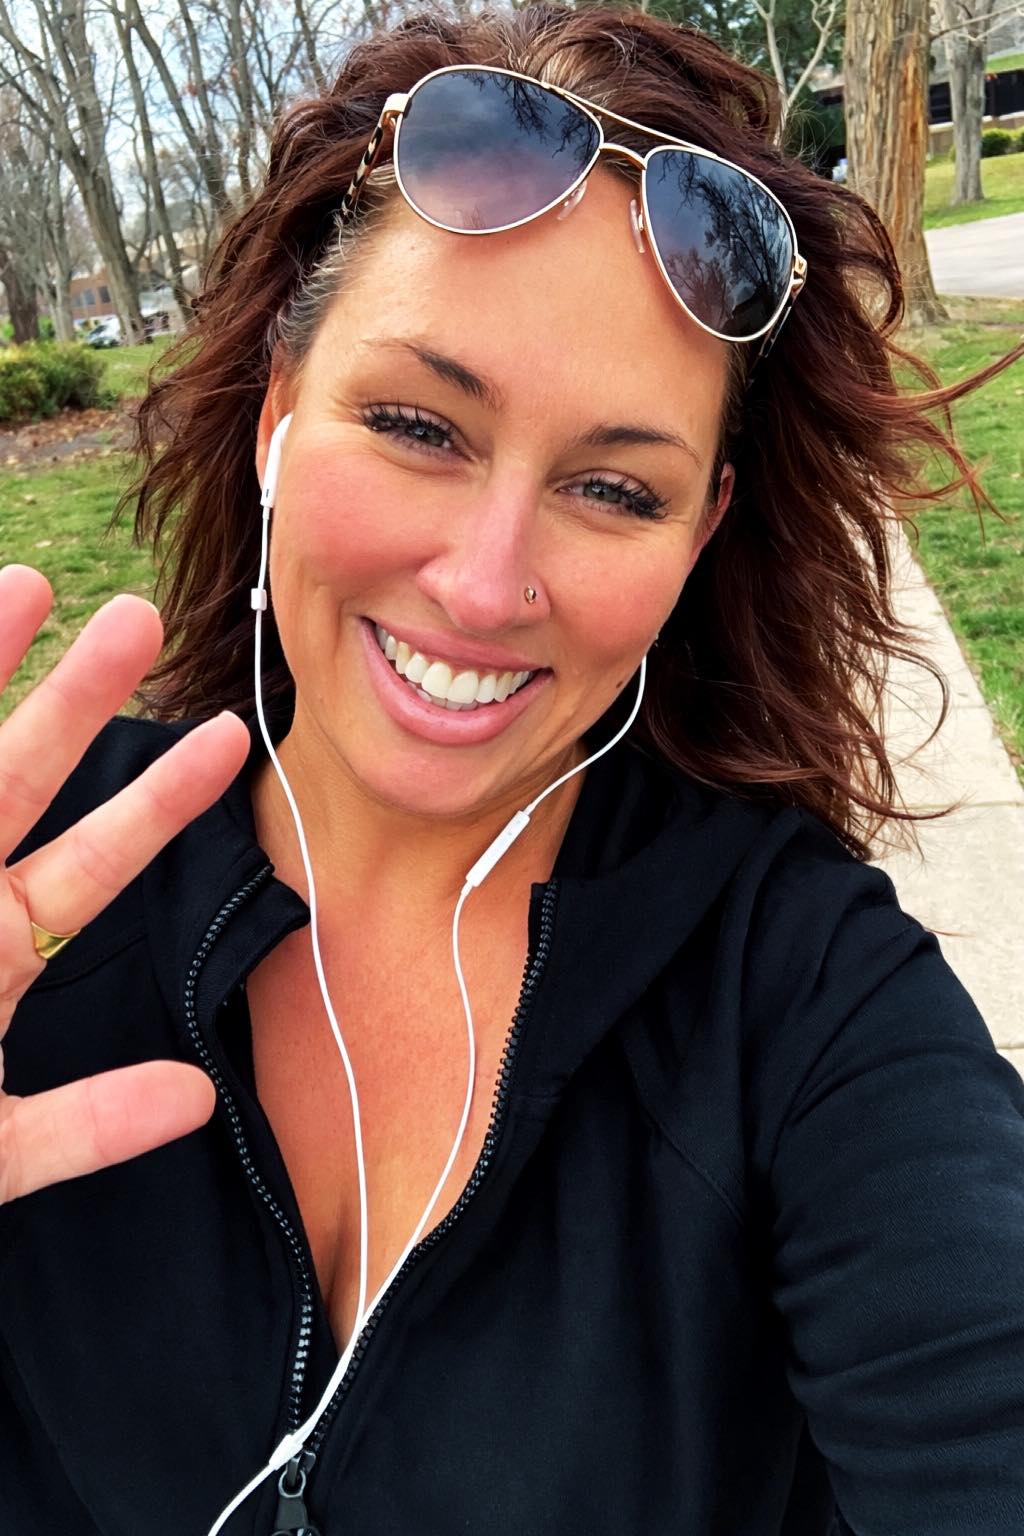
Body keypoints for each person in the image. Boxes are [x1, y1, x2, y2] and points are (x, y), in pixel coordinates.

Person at [1, 5, 1022, 1533]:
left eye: (615, 489)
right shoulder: (30, 887)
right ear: (279, 415)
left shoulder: (801, 999)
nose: (484, 586)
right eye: (420, 424)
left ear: (700, 537)